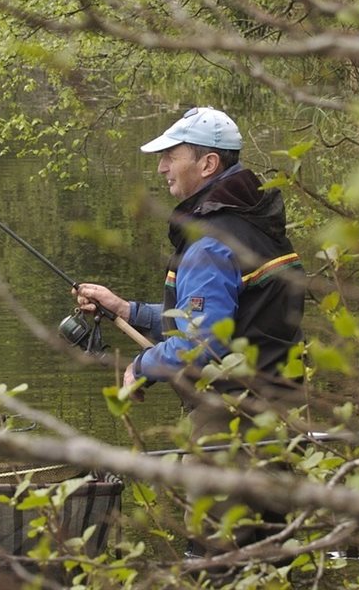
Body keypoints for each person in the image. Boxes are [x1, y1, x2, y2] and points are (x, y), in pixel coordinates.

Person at [74, 106, 305, 561]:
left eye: (170, 156)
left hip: (229, 426)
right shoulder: (257, 223)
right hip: (283, 419)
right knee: (274, 558)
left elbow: (203, 343)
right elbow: (234, 320)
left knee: (213, 559)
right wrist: (127, 310)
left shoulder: (209, 241)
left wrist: (141, 366)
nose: (161, 167)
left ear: (208, 164)